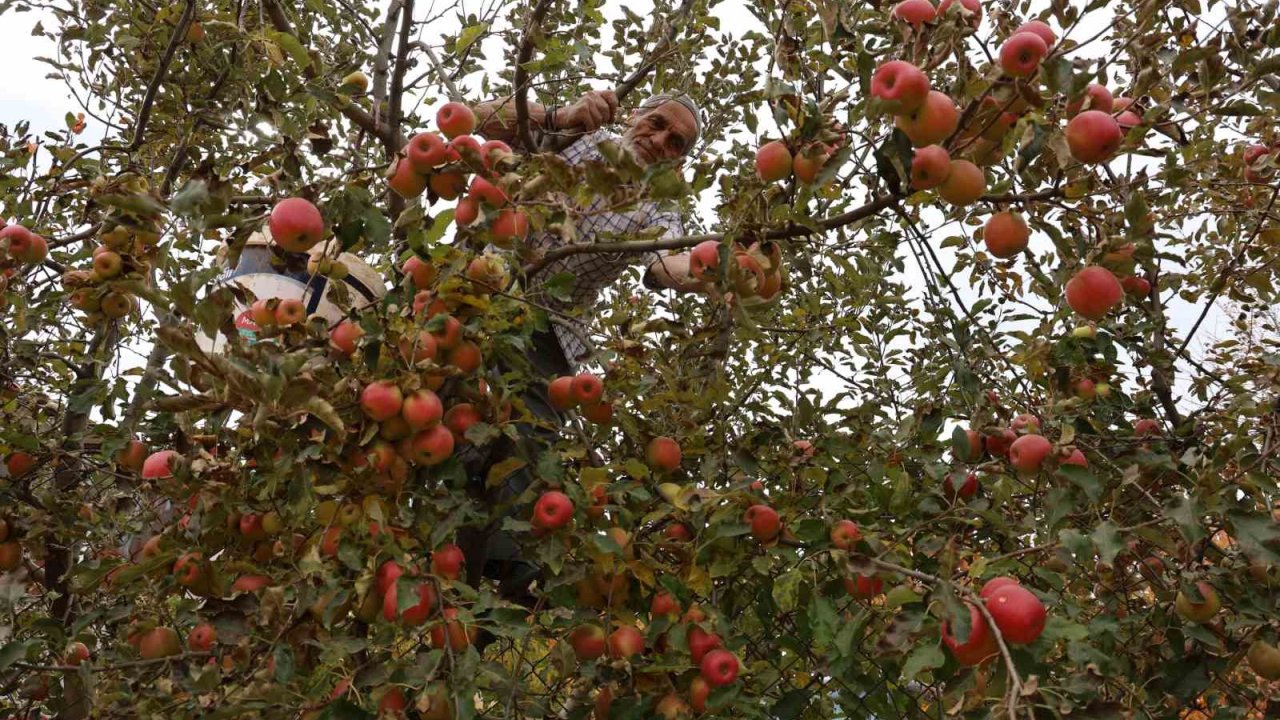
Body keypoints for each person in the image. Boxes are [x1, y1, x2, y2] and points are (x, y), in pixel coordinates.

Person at [455, 90, 708, 601]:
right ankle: (439, 522)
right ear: (635, 116)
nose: (658, 140)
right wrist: (559, 114)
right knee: (449, 405)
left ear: (679, 158)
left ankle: (502, 567)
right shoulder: (581, 134)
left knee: (528, 440)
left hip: (549, 325)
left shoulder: (661, 203)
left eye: (675, 142)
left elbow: (664, 264)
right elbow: (471, 118)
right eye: (655, 123)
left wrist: (710, 269)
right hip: (474, 284)